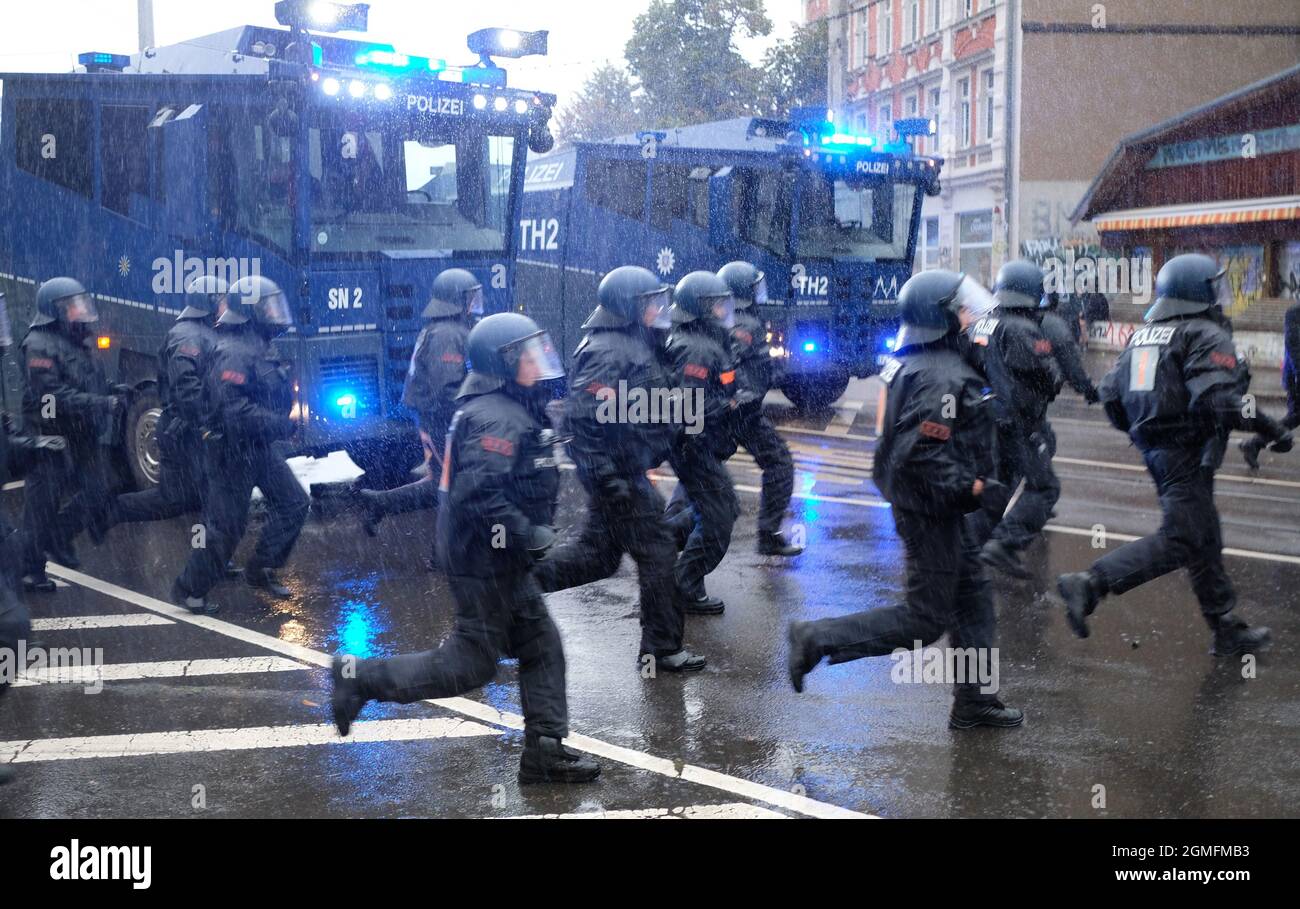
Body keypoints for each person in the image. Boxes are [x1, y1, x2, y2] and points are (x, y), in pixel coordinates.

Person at [331, 313, 601, 784]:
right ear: (502, 363)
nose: (540, 363)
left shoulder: (510, 406)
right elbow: (479, 491)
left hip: (497, 562)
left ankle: (544, 750)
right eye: (528, 355)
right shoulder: (494, 415)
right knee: (469, 664)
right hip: (485, 563)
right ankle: (360, 677)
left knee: (541, 644)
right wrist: (525, 533)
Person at [786, 270, 1023, 729]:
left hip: (932, 505)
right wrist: (975, 487)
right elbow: (920, 457)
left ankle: (976, 700)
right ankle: (814, 638)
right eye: (963, 310)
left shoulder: (923, 360)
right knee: (923, 619)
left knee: (973, 595)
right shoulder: (940, 376)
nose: (972, 317)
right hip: (930, 509)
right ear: (941, 319)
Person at [1057, 254, 1292, 655]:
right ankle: (1091, 583)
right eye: (1213, 286)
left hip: (1160, 451)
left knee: (1204, 535)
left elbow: (1112, 397)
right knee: (1182, 538)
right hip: (1187, 450)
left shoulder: (1144, 334)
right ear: (1198, 291)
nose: (1219, 294)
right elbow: (1222, 401)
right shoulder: (1202, 333)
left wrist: (1149, 434)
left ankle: (1225, 626)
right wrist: (1271, 428)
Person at [533, 266, 705, 673]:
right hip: (619, 478)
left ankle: (513, 590)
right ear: (630, 307)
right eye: (651, 303)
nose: (660, 309)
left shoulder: (636, 341)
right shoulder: (609, 350)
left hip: (625, 472)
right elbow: (582, 422)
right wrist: (606, 478)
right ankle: (661, 649)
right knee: (659, 552)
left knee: (597, 558)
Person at [171, 275, 308, 614]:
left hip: (258, 447)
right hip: (231, 451)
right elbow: (231, 410)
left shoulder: (260, 345)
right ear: (250, 311)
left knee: (293, 502)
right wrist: (279, 423)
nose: (275, 313)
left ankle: (260, 568)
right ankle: (190, 587)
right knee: (226, 526)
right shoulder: (232, 351)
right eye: (268, 306)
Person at [95, 275, 227, 538]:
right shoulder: (187, 337)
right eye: (223, 302)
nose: (227, 308)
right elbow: (186, 389)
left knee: (206, 494)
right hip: (184, 431)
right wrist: (209, 419)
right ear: (208, 304)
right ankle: (111, 510)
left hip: (189, 428)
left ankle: (211, 553)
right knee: (175, 499)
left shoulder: (205, 332)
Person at [18, 278, 122, 592]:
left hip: (82, 432)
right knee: (42, 503)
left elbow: (86, 382)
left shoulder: (81, 340)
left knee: (98, 490)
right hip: (50, 434)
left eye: (81, 303)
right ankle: (29, 570)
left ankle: (59, 536)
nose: (81, 310)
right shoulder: (38, 344)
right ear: (56, 310)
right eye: (73, 305)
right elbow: (51, 396)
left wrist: (114, 393)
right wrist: (100, 403)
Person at [358, 268, 479, 536]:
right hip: (441, 419)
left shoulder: (445, 328)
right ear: (457, 299)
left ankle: (382, 503)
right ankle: (447, 553)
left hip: (437, 417)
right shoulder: (448, 333)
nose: (474, 303)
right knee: (454, 484)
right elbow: (446, 387)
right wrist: (470, 416)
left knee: (444, 481)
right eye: (470, 297)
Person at [966, 260, 1062, 580]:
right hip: (1018, 422)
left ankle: (967, 550)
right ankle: (1004, 544)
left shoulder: (983, 323)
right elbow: (1047, 375)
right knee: (1045, 488)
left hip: (990, 421)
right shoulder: (1022, 329)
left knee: (998, 488)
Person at [663, 271, 741, 615]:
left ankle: (659, 544)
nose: (724, 312)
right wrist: (729, 406)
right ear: (701, 309)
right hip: (694, 446)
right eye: (717, 306)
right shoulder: (695, 347)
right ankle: (684, 587)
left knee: (707, 510)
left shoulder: (703, 340)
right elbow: (687, 404)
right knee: (718, 518)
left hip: (699, 445)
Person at [714, 261, 802, 557]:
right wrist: (740, 397)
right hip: (742, 414)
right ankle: (768, 534)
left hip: (735, 412)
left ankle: (677, 527)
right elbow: (730, 365)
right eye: (755, 288)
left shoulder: (731, 318)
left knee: (703, 470)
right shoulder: (744, 324)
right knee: (779, 463)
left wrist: (770, 374)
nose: (760, 294)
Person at [1239, 296, 1299, 469]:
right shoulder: (1294, 313)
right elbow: (1294, 346)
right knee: (1295, 416)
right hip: (1295, 376)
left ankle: (1256, 443)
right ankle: (1257, 442)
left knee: (1295, 416)